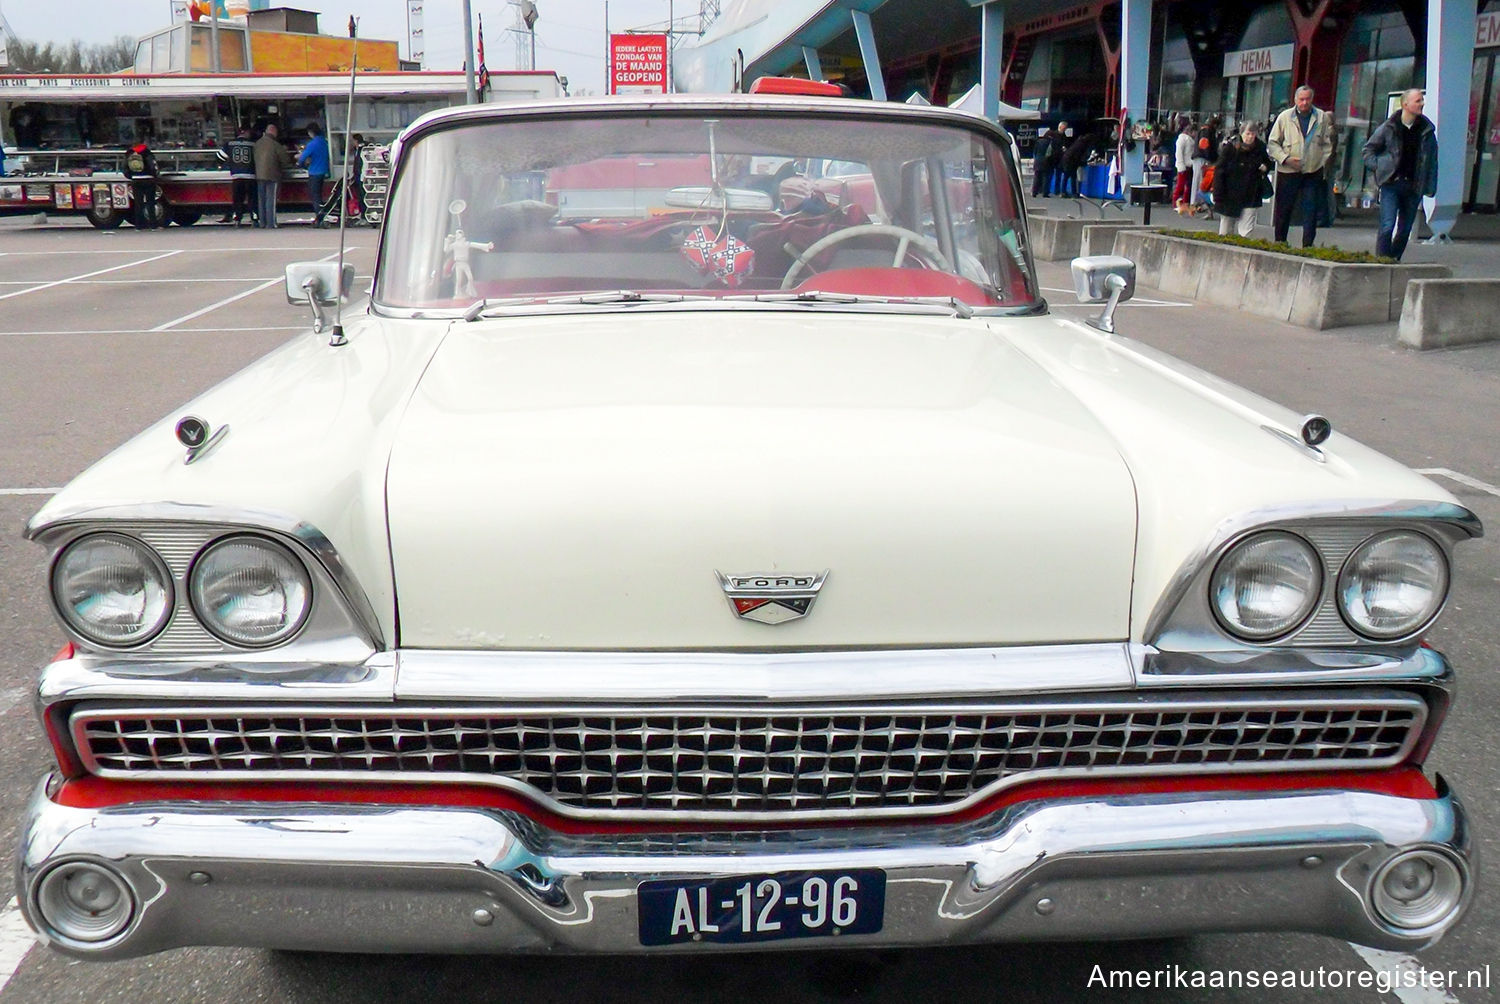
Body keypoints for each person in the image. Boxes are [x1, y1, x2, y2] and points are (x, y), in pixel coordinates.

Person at [1362, 89, 1438, 262]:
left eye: (1422, 100)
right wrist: (1379, 167)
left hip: (1413, 186)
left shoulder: (1426, 131)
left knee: (1404, 230)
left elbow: (1432, 161)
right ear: (1405, 104)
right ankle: (1381, 261)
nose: (1422, 104)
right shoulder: (1390, 127)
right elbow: (1368, 150)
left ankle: (1394, 259)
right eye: (1418, 101)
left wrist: (1430, 187)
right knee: (1387, 226)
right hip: (1391, 184)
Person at [1267, 85, 1335, 247]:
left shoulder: (1321, 117)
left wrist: (1321, 163)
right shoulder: (1285, 117)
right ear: (1295, 100)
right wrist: (1286, 159)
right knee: (1284, 209)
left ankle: (1307, 246)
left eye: (1307, 99)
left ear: (1312, 99)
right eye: (1301, 99)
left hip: (1312, 171)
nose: (1304, 103)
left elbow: (1327, 144)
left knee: (1310, 211)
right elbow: (1273, 143)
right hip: (1288, 170)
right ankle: (1280, 243)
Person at [1212, 121, 1275, 237]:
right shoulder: (1230, 148)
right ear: (1241, 133)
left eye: (1253, 134)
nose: (1250, 137)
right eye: (1248, 133)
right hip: (1229, 195)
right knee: (1225, 231)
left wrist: (1265, 167)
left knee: (1246, 232)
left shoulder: (1260, 148)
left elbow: (1268, 163)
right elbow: (1219, 171)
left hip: (1251, 193)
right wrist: (1218, 194)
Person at [253, 122, 295, 229]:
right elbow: (285, 161)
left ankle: (262, 222)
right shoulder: (276, 145)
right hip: (272, 175)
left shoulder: (257, 144)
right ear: (274, 132)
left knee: (261, 200)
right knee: (270, 200)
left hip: (259, 175)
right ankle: (271, 223)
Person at [122, 130, 162, 229]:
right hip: (148, 179)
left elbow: (124, 168)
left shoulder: (129, 152)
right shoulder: (147, 152)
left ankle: (139, 225)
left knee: (138, 203)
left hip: (135, 180)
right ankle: (153, 225)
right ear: (143, 142)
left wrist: (131, 176)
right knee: (150, 203)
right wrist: (154, 175)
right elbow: (153, 166)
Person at [218, 125, 257, 225]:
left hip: (237, 176)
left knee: (238, 199)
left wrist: (225, 165)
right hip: (250, 176)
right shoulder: (253, 144)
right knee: (252, 199)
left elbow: (219, 157)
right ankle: (254, 218)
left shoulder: (230, 144)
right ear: (245, 132)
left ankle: (237, 219)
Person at [299, 123, 332, 227]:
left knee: (315, 197)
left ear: (311, 132)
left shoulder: (312, 144)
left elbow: (302, 158)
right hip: (323, 172)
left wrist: (302, 165)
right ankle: (321, 216)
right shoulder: (325, 142)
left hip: (314, 172)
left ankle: (320, 218)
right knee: (319, 195)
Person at [1190, 116, 1219, 212]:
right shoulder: (1206, 132)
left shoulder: (1204, 131)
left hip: (1200, 157)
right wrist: (1209, 158)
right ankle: (1195, 203)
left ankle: (1196, 203)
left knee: (1198, 180)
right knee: (1199, 180)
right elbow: (1204, 145)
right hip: (1202, 158)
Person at [1173, 116, 1196, 213]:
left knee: (1188, 186)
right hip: (1184, 165)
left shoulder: (1188, 138)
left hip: (1189, 165)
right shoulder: (1182, 139)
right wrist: (1180, 165)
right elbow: (1179, 153)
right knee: (1180, 185)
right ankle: (1176, 203)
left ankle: (1185, 203)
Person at [1030, 126, 1057, 198]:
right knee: (1046, 177)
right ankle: (1045, 193)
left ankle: (1034, 192)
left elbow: (1035, 151)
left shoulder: (1038, 141)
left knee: (1037, 177)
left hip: (1038, 161)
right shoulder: (1051, 143)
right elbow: (1053, 154)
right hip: (1047, 162)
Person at [347, 133, 367, 222]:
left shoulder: (362, 150)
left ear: (356, 141)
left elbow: (362, 164)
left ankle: (364, 215)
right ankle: (362, 214)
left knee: (363, 196)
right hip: (357, 176)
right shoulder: (357, 150)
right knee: (360, 196)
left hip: (362, 176)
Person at [1049, 121, 1072, 197]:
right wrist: (1061, 149)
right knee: (1052, 174)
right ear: (1060, 127)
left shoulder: (1064, 136)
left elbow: (1066, 144)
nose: (1065, 129)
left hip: (1061, 158)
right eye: (1064, 128)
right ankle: (1054, 190)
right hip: (1054, 157)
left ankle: (1058, 190)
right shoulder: (1054, 135)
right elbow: (1053, 146)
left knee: (1059, 174)